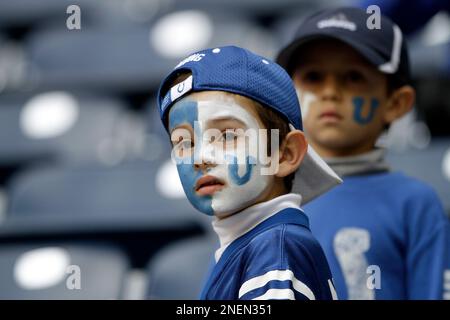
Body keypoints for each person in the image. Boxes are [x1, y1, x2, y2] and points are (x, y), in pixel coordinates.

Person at [276, 7, 449, 299]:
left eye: (354, 77)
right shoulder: (264, 198)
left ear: (397, 102)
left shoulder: (415, 204)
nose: (330, 92)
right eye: (314, 77)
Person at [155, 45, 342, 300]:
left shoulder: (276, 247)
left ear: (285, 154)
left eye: (228, 135)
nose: (200, 158)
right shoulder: (249, 245)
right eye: (184, 143)